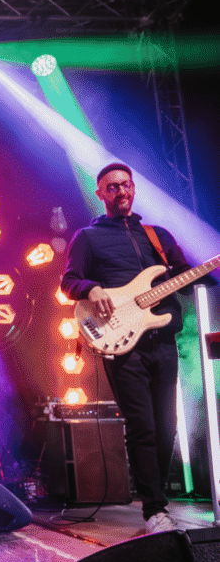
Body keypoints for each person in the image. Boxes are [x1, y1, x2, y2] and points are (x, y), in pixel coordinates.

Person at [61, 162, 213, 535]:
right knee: (142, 426)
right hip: (122, 343)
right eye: (112, 187)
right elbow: (70, 281)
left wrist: (202, 271)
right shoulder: (88, 237)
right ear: (100, 193)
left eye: (126, 185)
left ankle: (152, 496)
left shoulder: (157, 236)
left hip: (162, 340)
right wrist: (92, 289)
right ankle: (154, 509)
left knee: (167, 427)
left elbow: (181, 274)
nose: (121, 191)